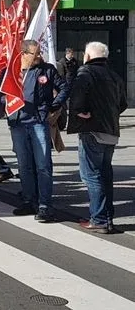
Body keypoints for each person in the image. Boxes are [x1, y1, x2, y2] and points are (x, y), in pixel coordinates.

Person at [68, 41, 126, 233]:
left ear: (88, 56)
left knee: (91, 175)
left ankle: (99, 218)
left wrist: (81, 111)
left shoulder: (85, 72)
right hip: (110, 132)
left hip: (92, 130)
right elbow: (123, 104)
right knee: (105, 175)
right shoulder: (115, 75)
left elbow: (77, 98)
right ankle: (107, 216)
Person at [9, 39, 68, 222]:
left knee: (43, 165)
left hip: (38, 122)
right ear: (24, 54)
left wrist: (54, 105)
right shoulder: (12, 71)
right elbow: (1, 93)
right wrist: (8, 104)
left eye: (39, 53)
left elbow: (65, 87)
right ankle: (29, 200)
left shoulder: (48, 69)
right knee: (24, 165)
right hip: (18, 123)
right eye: (35, 54)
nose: (39, 56)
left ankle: (45, 205)